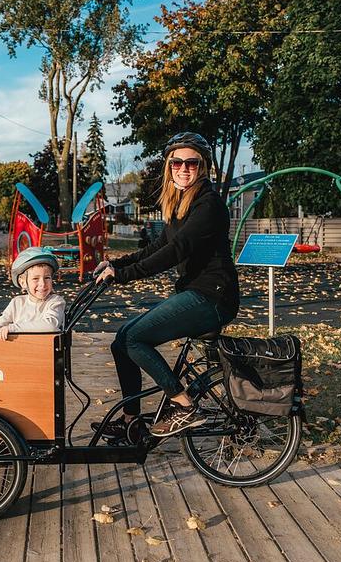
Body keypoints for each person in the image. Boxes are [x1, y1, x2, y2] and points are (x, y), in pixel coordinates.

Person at [94, 132, 240, 440]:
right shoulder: (181, 203)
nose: (183, 168)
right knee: (121, 342)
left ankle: (184, 405)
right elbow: (158, 245)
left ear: (202, 167)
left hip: (213, 297)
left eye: (191, 163)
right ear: (169, 166)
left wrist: (124, 276)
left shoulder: (208, 204)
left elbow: (176, 251)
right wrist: (116, 264)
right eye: (177, 163)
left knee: (134, 338)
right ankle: (132, 421)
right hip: (194, 292)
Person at [0, 247, 65, 342]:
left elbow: (50, 325)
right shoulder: (17, 302)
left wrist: (13, 328)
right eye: (35, 279)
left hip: (44, 348)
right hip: (20, 347)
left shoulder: (55, 301)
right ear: (23, 282)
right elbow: (1, 323)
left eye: (47, 278)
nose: (42, 284)